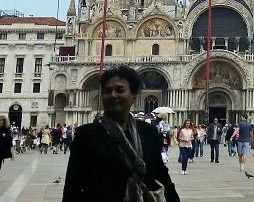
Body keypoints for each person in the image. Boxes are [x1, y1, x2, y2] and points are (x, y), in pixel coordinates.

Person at [62, 65, 179, 201]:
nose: (113, 95)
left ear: (134, 96)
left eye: (120, 90)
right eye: (107, 91)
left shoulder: (148, 132)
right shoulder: (87, 135)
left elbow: (161, 175)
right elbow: (73, 186)